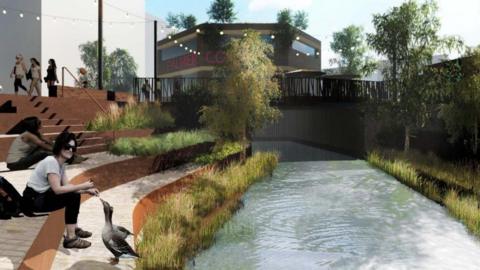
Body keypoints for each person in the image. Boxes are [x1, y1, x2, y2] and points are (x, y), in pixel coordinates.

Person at [22, 132, 99, 249]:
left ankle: (73, 228)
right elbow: (58, 190)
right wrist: (83, 186)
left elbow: (67, 187)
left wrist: (87, 191)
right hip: (33, 201)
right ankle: (71, 239)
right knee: (72, 197)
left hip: (40, 197)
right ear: (59, 146)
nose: (70, 150)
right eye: (67, 147)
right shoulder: (51, 162)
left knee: (73, 195)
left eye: (73, 148)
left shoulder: (60, 164)